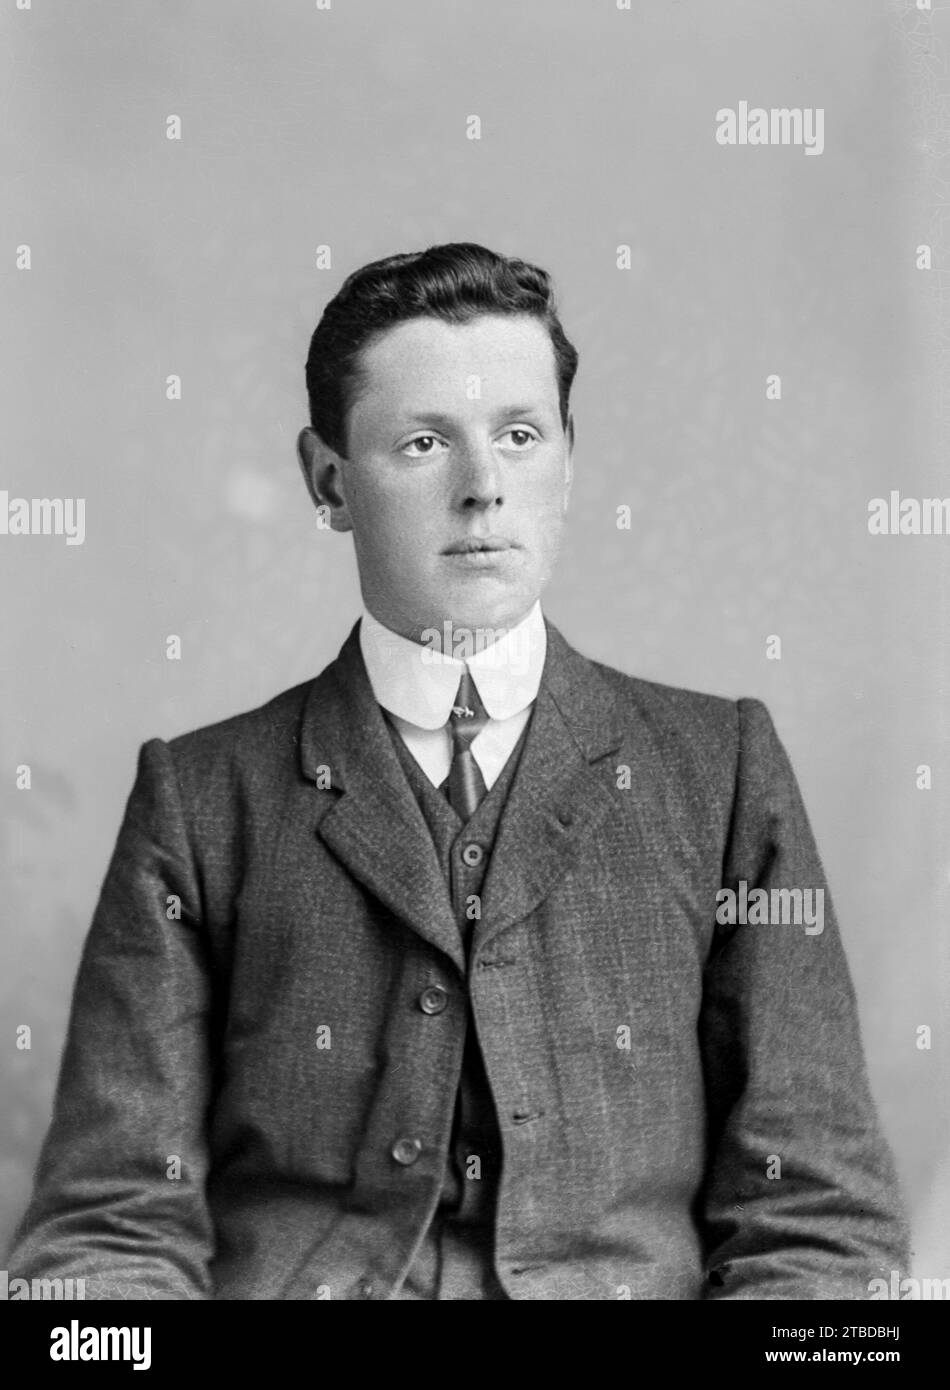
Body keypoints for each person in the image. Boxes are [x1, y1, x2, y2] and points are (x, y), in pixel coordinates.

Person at [8, 242, 908, 1300]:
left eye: (519, 437)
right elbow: (108, 1226)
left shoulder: (716, 772)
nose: (483, 490)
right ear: (329, 480)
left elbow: (817, 1217)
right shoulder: (201, 798)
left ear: (566, 458)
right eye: (425, 441)